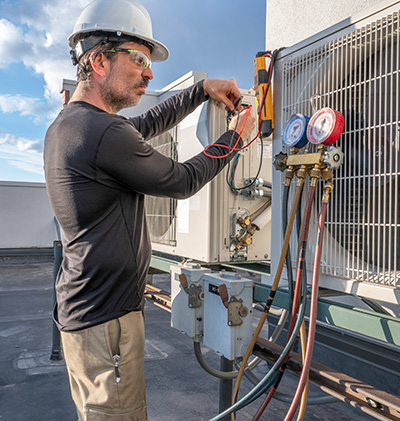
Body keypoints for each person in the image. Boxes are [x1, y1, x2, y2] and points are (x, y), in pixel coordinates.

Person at [44, 0, 256, 420]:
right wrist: (234, 137)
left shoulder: (72, 125)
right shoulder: (102, 132)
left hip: (86, 314)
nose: (149, 72)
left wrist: (200, 91)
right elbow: (180, 180)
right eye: (139, 58)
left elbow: (147, 125)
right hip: (107, 325)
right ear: (100, 60)